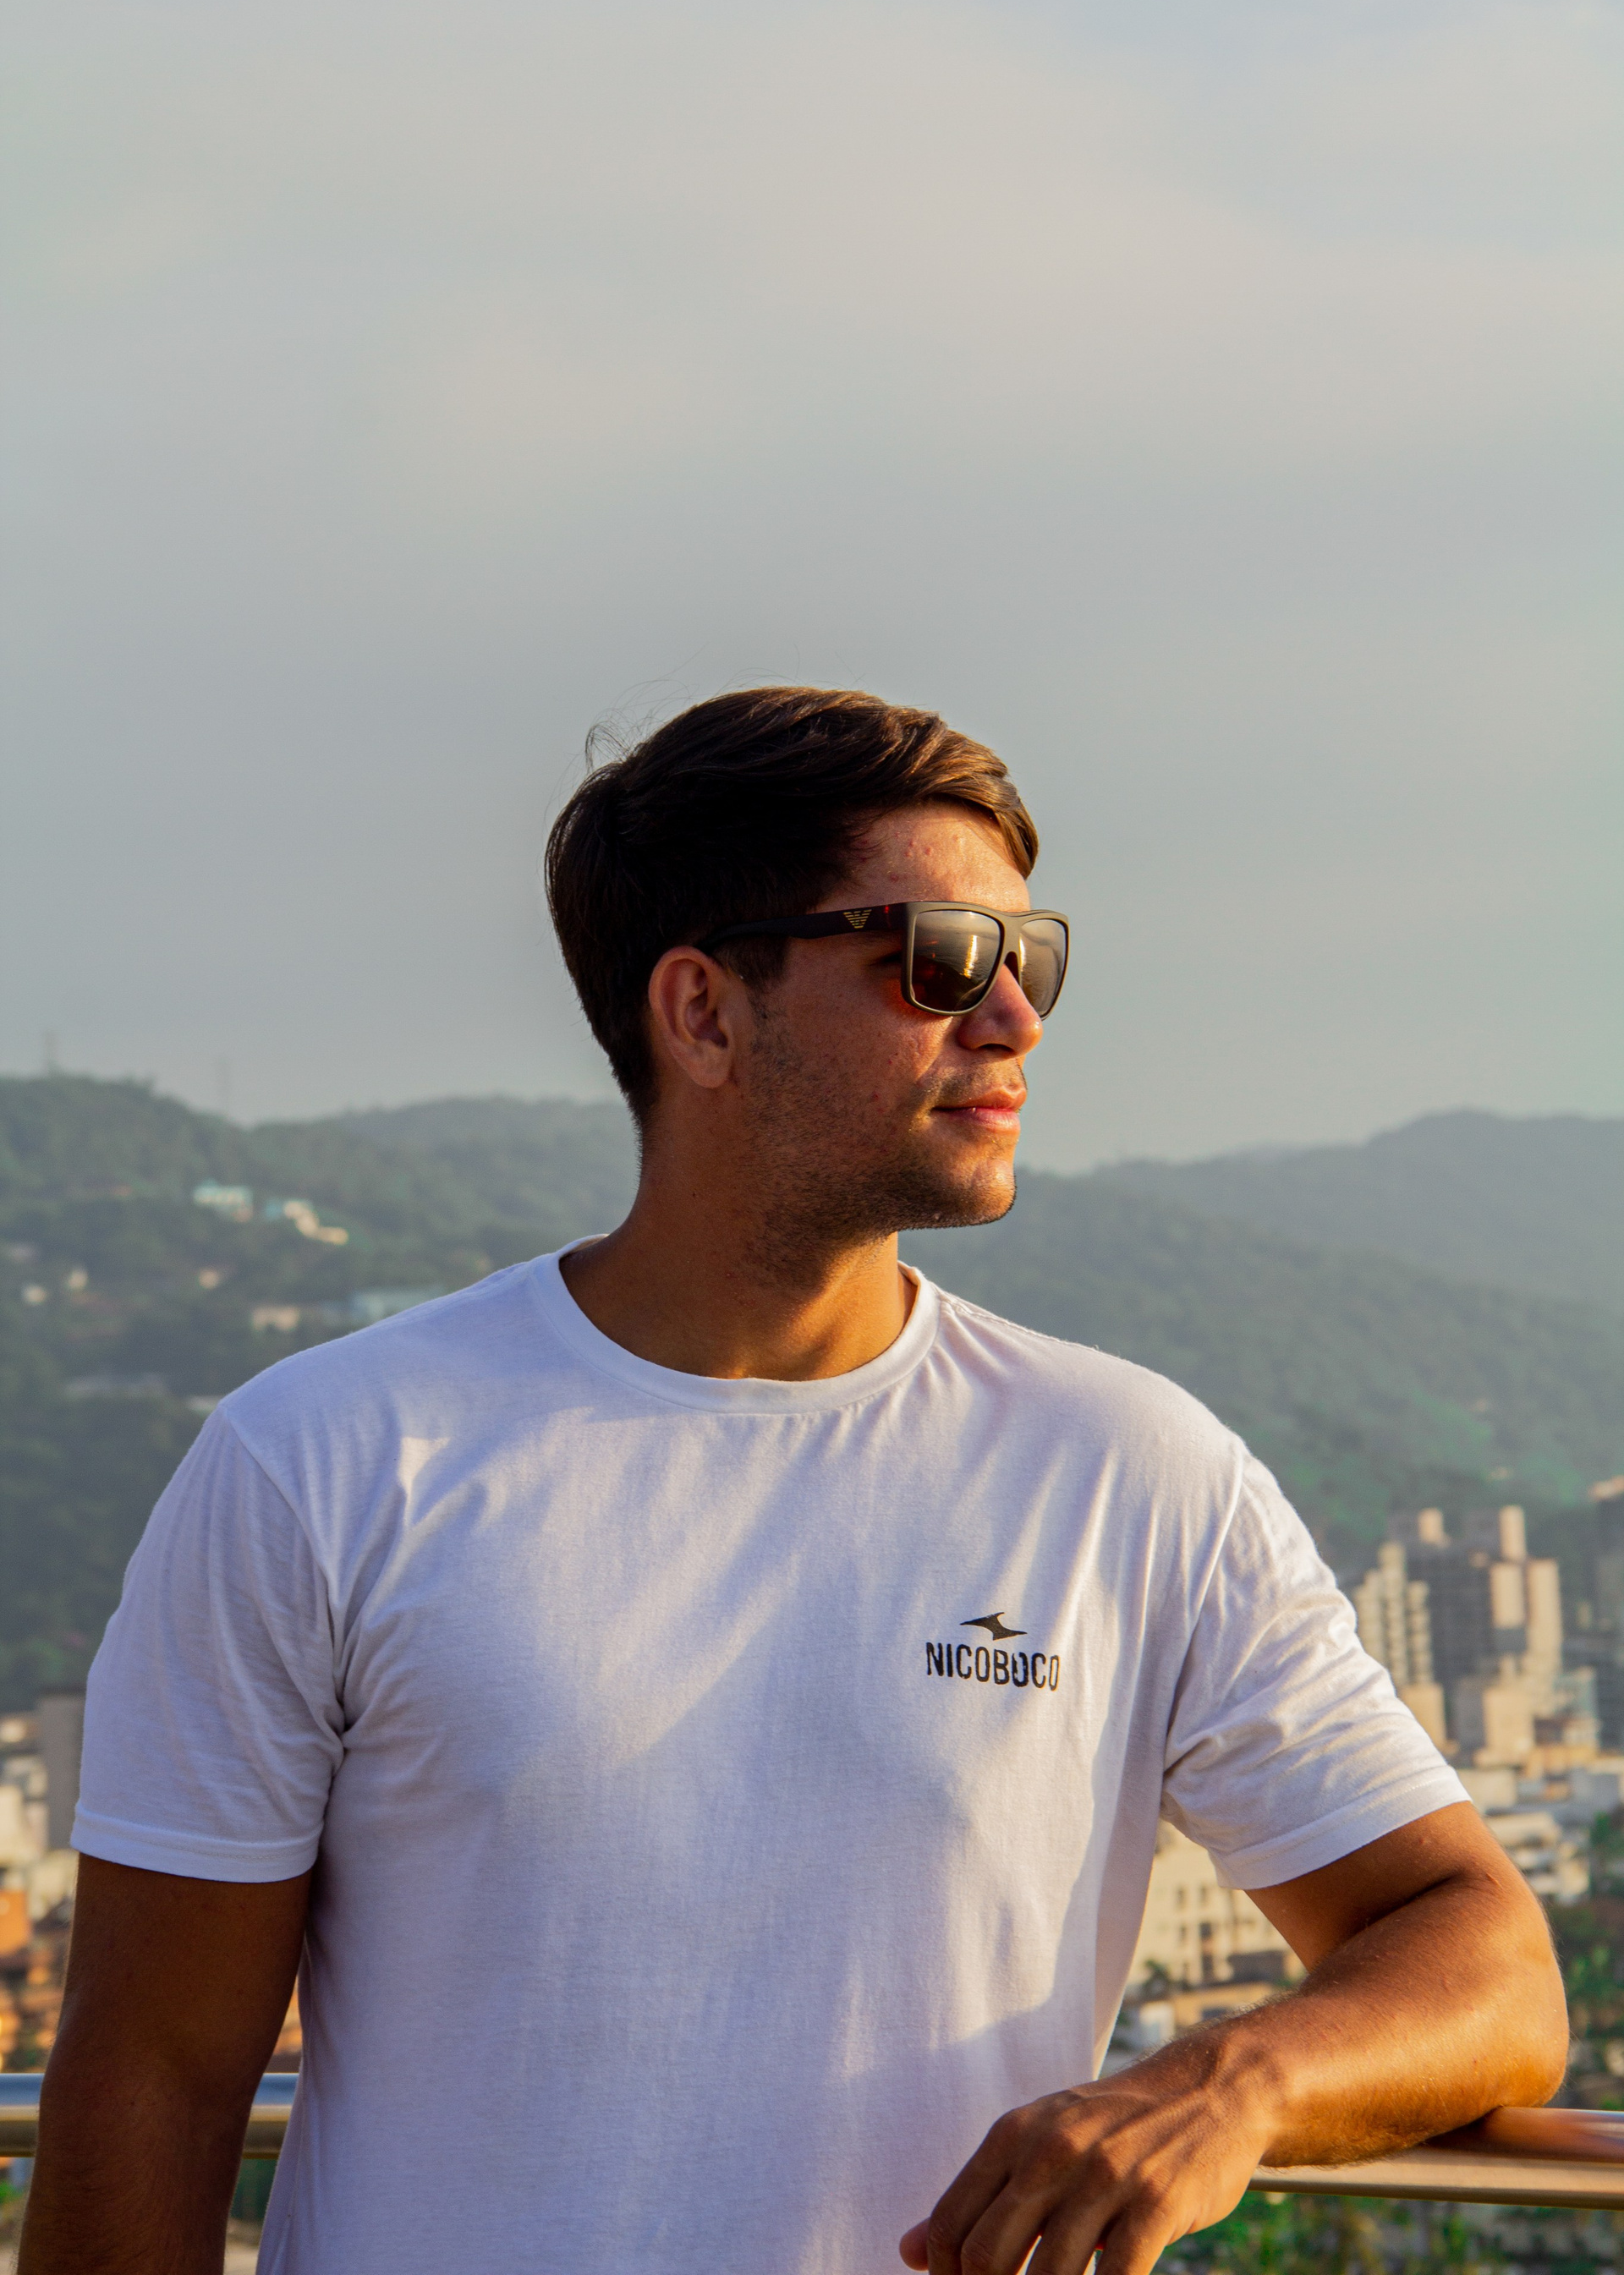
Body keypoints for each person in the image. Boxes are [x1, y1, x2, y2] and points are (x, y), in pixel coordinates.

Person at [25, 688, 1564, 2275]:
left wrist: (1224, 2089)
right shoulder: (326, 1462)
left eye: (1030, 959)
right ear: (701, 1013)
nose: (1014, 1020)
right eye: (939, 959)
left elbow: (1491, 1963)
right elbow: (153, 2080)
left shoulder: (1132, 1472)